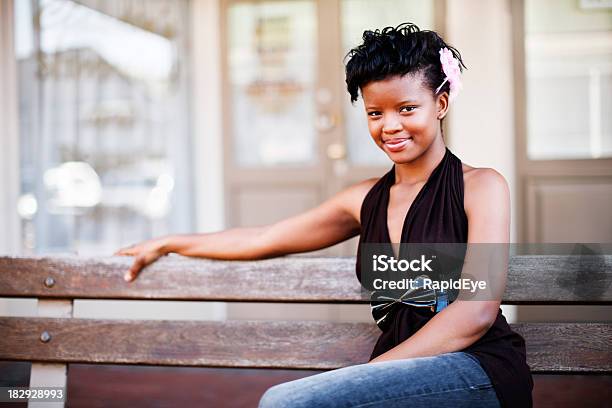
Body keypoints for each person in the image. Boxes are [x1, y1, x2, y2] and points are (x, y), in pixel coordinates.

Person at [116, 23, 533, 408]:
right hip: (397, 376)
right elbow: (264, 238)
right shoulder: (364, 198)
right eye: (375, 113)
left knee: (286, 403)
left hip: (477, 371)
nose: (390, 126)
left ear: (440, 103)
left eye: (407, 109)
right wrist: (170, 242)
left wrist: (366, 376)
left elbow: (474, 313)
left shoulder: (482, 186)